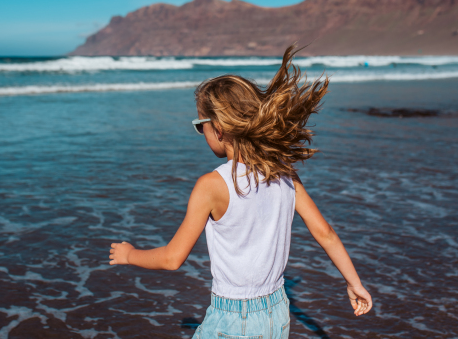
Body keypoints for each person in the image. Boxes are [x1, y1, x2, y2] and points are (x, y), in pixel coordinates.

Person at [109, 45, 372, 338]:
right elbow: (326, 234)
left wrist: (130, 254)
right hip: (278, 313)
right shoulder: (283, 173)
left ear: (218, 129)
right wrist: (354, 282)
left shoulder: (211, 185)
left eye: (200, 126)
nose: (201, 134)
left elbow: (172, 259)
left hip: (232, 318)